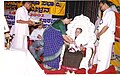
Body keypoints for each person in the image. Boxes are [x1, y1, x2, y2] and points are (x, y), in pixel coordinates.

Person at [93, 0, 116, 73]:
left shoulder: (110, 13)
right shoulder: (106, 13)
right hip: (103, 39)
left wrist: (98, 35)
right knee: (100, 56)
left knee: (104, 57)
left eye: (101, 6)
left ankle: (102, 72)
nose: (100, 8)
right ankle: (99, 71)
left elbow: (106, 26)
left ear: (105, 4)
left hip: (106, 39)